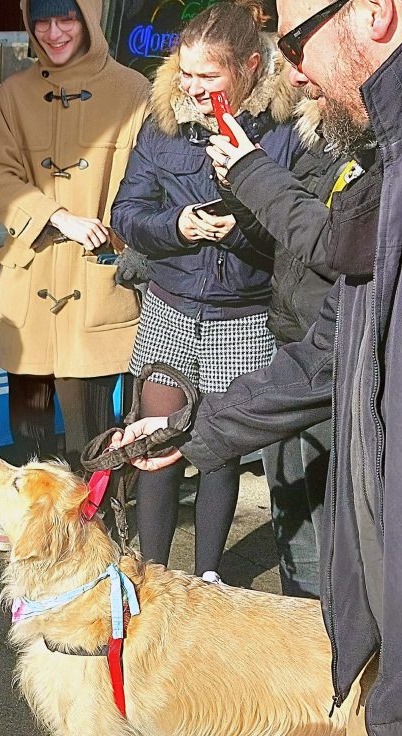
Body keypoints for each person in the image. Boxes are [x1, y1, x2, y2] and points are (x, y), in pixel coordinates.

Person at [115, 0, 402, 736]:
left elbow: (321, 246)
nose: (294, 68)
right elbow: (333, 346)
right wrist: (194, 433)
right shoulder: (369, 144)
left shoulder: (320, 138)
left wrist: (250, 184)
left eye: (294, 43)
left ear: (379, 16)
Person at [109, 0, 302, 582]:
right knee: (157, 444)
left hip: (241, 315)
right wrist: (178, 225)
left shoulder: (288, 129)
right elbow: (127, 213)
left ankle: (209, 575)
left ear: (247, 67)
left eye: (208, 77)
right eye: (185, 73)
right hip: (171, 305)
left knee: (221, 451)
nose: (192, 88)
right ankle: (153, 570)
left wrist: (242, 226)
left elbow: (299, 235)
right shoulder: (163, 121)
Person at [0, 0, 150, 551]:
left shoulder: (133, 91)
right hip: (30, 277)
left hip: (97, 277)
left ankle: (98, 528)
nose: (53, 33)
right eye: (42, 21)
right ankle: (32, 521)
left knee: (91, 427)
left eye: (67, 18)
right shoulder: (13, 93)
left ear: (91, 19)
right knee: (27, 419)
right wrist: (52, 214)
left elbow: (152, 179)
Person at [208, 99, 364, 597]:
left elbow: (334, 248)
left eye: (300, 55)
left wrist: (254, 172)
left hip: (332, 355)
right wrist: (235, 190)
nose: (296, 77)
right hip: (289, 341)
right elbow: (274, 241)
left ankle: (333, 636)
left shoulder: (374, 155)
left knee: (330, 521)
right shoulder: (316, 137)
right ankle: (302, 621)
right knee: (291, 513)